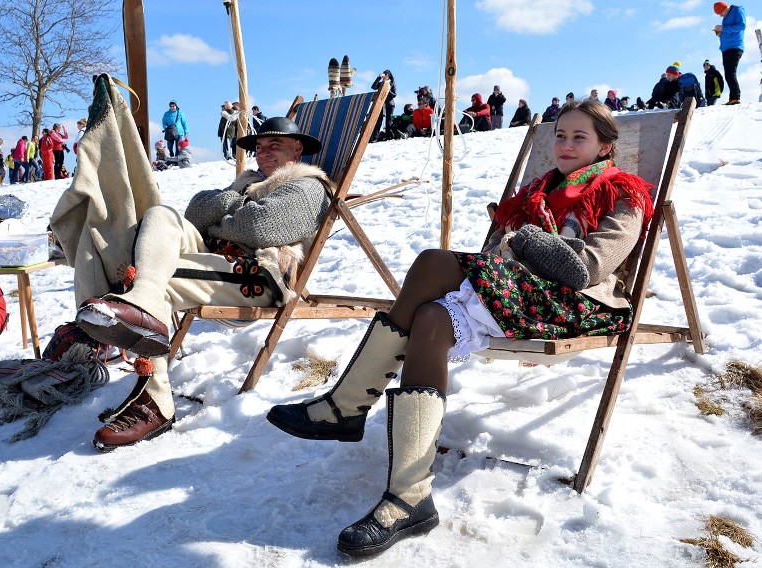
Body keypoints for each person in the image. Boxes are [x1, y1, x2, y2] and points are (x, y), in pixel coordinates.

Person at [267, 98, 655, 557]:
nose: (566, 144)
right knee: (430, 317)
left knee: (433, 262)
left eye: (579, 137)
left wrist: (523, 238)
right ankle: (409, 497)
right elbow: (494, 255)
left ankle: (346, 406)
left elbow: (586, 268)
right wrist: (513, 240)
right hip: (519, 294)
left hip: (575, 304)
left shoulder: (622, 192)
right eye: (560, 134)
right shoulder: (533, 193)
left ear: (605, 146)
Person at [60, 117, 331, 452]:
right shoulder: (250, 182)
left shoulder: (306, 186)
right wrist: (232, 212)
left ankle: (156, 401)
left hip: (257, 277)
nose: (263, 153)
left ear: (297, 148)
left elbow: (259, 228)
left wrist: (222, 215)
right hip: (220, 262)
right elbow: (195, 213)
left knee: (152, 275)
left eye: (274, 145)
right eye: (259, 147)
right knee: (160, 216)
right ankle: (138, 301)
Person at [713, 2, 745, 105]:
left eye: (720, 13)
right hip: (726, 48)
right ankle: (733, 98)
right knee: (728, 74)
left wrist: (723, 28)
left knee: (730, 73)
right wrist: (719, 33)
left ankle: (735, 97)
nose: (720, 15)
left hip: (735, 47)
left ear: (724, 8)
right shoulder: (725, 17)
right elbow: (727, 31)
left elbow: (741, 26)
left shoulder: (737, 10)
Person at [371, 70, 397, 141]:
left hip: (389, 104)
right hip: (381, 104)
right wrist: (378, 78)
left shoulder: (391, 83)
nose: (384, 75)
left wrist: (388, 90)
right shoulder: (381, 83)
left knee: (388, 120)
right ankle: (375, 137)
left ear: (388, 76)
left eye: (385, 74)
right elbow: (373, 87)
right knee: (379, 120)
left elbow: (394, 94)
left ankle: (388, 136)